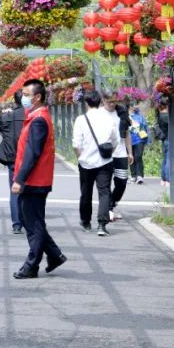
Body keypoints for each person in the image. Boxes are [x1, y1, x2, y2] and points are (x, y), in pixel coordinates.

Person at [11, 79, 67, 279]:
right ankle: (54, 255)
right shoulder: (36, 117)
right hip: (36, 179)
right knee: (32, 221)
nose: (23, 97)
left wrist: (20, 179)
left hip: (35, 180)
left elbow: (32, 154)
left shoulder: (38, 120)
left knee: (33, 225)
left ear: (37, 97)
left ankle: (31, 265)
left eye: (26, 95)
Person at [72, 89, 117, 237]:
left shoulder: (81, 120)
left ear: (86, 103)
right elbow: (115, 141)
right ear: (100, 102)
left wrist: (80, 157)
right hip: (105, 161)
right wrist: (108, 153)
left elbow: (76, 144)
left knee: (86, 192)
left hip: (86, 162)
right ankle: (102, 225)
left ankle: (86, 221)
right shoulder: (108, 119)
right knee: (104, 192)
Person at [0, 92, 26, 234]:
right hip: (28, 157)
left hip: (12, 157)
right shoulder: (32, 115)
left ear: (15, 101)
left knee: (15, 191)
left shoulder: (7, 115)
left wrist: (1, 114)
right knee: (31, 191)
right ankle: (31, 221)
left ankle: (17, 224)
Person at [102, 92, 134, 221]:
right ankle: (108, 209)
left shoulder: (121, 112)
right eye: (109, 101)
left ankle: (111, 205)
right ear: (103, 100)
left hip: (120, 153)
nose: (112, 104)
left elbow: (126, 133)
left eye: (114, 101)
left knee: (122, 182)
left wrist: (129, 152)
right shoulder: (98, 114)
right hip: (105, 154)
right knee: (105, 183)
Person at [129, 105, 150, 184]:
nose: (136, 106)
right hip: (129, 140)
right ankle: (133, 175)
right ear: (130, 107)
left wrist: (147, 140)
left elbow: (145, 127)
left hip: (139, 139)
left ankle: (139, 176)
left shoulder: (140, 116)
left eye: (136, 104)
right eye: (134, 105)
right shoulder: (126, 116)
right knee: (131, 157)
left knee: (138, 156)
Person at [155, 101, 171, 186]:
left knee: (164, 160)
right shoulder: (166, 116)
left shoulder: (159, 116)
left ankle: (163, 179)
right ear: (166, 106)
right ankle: (168, 180)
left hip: (164, 140)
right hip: (169, 139)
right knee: (169, 159)